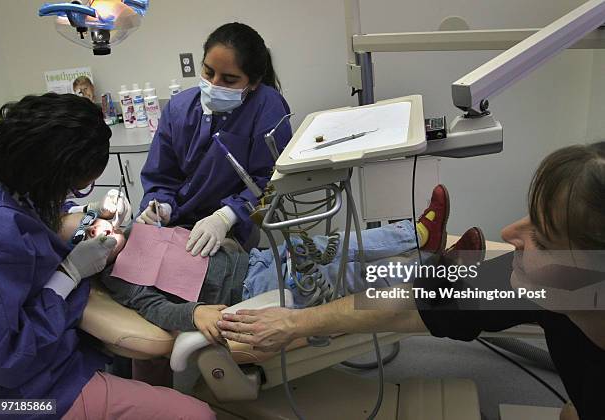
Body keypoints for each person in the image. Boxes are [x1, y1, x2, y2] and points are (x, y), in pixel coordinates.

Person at [218, 142, 605, 420]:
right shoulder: (535, 286)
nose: (509, 232)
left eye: (541, 237)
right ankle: (421, 242)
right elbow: (410, 302)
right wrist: (293, 322)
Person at [0, 93, 215, 419]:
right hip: (23, 400)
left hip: (61, 355)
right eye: (75, 188)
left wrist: (87, 212)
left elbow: (35, 220)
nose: (74, 197)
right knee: (197, 415)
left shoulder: (12, 177)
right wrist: (68, 275)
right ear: (52, 173)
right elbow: (7, 360)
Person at [59, 185, 477, 345]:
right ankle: (439, 274)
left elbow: (194, 249)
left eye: (94, 218)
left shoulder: (142, 229)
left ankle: (420, 237)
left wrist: (175, 218)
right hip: (251, 292)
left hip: (260, 261)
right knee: (342, 272)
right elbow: (155, 309)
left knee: (336, 243)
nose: (100, 229)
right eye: (85, 235)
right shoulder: (120, 280)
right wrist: (196, 312)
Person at [137, 22, 292, 258]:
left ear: (253, 81)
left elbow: (271, 181)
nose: (214, 85)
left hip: (234, 228)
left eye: (229, 80)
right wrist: (161, 206)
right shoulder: (179, 109)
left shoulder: (266, 106)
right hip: (176, 221)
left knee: (210, 275)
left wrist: (226, 216)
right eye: (208, 72)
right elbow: (161, 176)